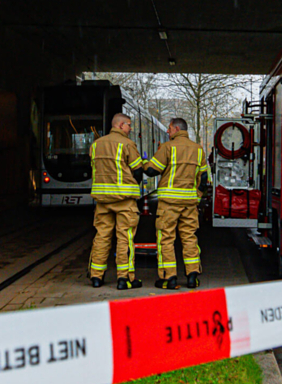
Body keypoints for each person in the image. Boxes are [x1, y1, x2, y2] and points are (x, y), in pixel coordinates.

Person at [145, 118, 212, 289]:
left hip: (168, 204)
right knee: (189, 238)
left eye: (169, 129)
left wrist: (143, 163)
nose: (167, 132)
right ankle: (192, 276)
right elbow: (204, 179)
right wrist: (196, 196)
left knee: (166, 239)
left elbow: (152, 171)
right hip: (189, 204)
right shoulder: (198, 149)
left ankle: (169, 278)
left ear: (176, 129)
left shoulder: (167, 148)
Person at [89, 113, 145, 290]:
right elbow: (137, 171)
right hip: (124, 200)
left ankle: (96, 276)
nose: (130, 128)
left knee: (101, 236)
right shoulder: (127, 144)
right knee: (125, 239)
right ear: (120, 125)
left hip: (102, 200)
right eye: (129, 125)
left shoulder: (96, 144)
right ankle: (125, 278)